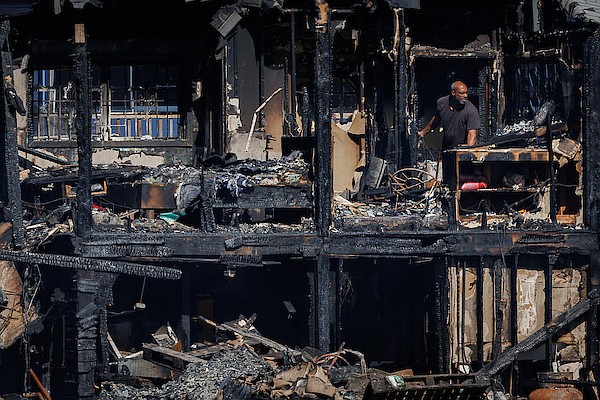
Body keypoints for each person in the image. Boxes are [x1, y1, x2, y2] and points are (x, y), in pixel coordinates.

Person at [418, 81, 480, 149]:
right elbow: (436, 119)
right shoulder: (442, 103)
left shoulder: (471, 110)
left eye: (466, 93)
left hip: (461, 150)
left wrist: (467, 153)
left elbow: (472, 134)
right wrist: (423, 133)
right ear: (453, 93)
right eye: (462, 93)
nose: (465, 96)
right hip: (447, 148)